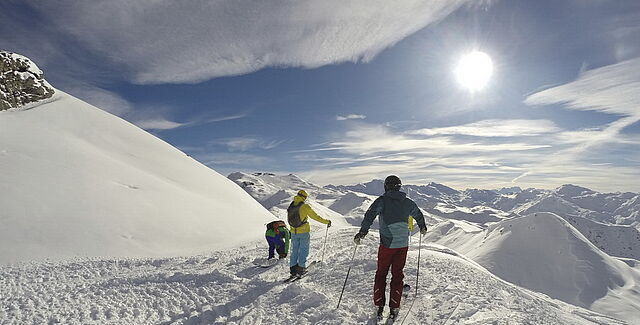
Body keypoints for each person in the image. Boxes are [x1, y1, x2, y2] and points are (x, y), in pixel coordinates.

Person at [354, 175, 427, 319]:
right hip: (403, 245)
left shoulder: (381, 201)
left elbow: (370, 215)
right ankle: (394, 306)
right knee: (398, 274)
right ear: (399, 186)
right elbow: (418, 214)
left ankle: (379, 305)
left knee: (381, 273)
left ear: (386, 186)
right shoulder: (407, 202)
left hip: (387, 245)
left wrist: (362, 232)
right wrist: (423, 226)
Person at [287, 190, 331, 276]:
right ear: (304, 197)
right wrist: (326, 222)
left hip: (293, 232)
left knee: (294, 250)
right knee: (303, 250)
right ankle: (301, 268)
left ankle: (293, 269)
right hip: (303, 232)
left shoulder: (291, 205)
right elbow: (316, 217)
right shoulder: (305, 206)